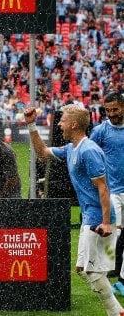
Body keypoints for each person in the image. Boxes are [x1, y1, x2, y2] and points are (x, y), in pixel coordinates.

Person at [24, 105, 124, 316]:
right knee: (87, 270)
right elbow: (42, 153)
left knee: (91, 272)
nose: (59, 124)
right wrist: (31, 124)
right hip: (91, 217)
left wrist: (106, 222)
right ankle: (116, 311)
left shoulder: (89, 150)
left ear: (74, 124)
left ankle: (116, 312)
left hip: (99, 219)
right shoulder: (72, 149)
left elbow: (103, 187)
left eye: (63, 120)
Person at [89, 93, 124, 293]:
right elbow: (90, 155)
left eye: (115, 109)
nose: (111, 114)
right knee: (111, 235)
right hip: (112, 191)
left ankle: (121, 280)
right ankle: (100, 277)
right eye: (108, 110)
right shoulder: (101, 131)